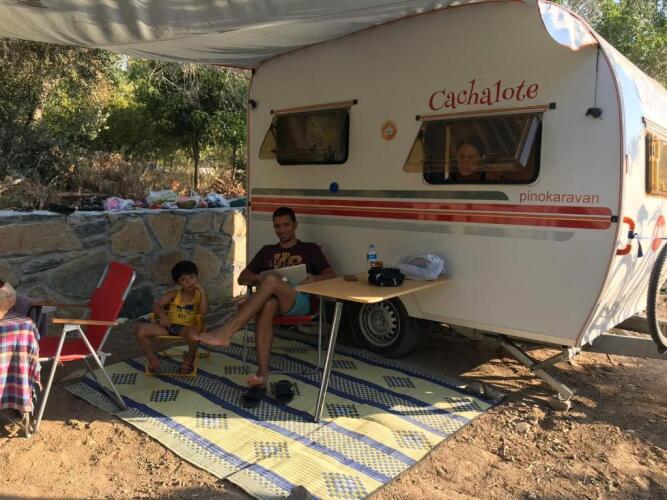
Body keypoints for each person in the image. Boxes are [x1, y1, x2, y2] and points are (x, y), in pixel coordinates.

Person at [198, 206, 335, 393]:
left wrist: (314, 279)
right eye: (277, 226)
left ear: (295, 225)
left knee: (271, 280)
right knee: (268, 303)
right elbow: (242, 278)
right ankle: (262, 375)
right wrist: (257, 278)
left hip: (299, 301)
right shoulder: (267, 251)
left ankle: (227, 331)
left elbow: (331, 275)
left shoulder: (309, 249)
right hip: (271, 301)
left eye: (286, 225)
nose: (282, 230)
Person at [135, 260, 208, 374]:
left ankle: (190, 356)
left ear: (197, 277)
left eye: (192, 277)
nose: (189, 281)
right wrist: (162, 316)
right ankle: (153, 360)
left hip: (187, 329)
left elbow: (203, 312)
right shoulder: (174, 294)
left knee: (194, 335)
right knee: (140, 331)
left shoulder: (200, 296)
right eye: (183, 279)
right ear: (178, 283)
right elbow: (156, 305)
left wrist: (202, 292)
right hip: (168, 326)